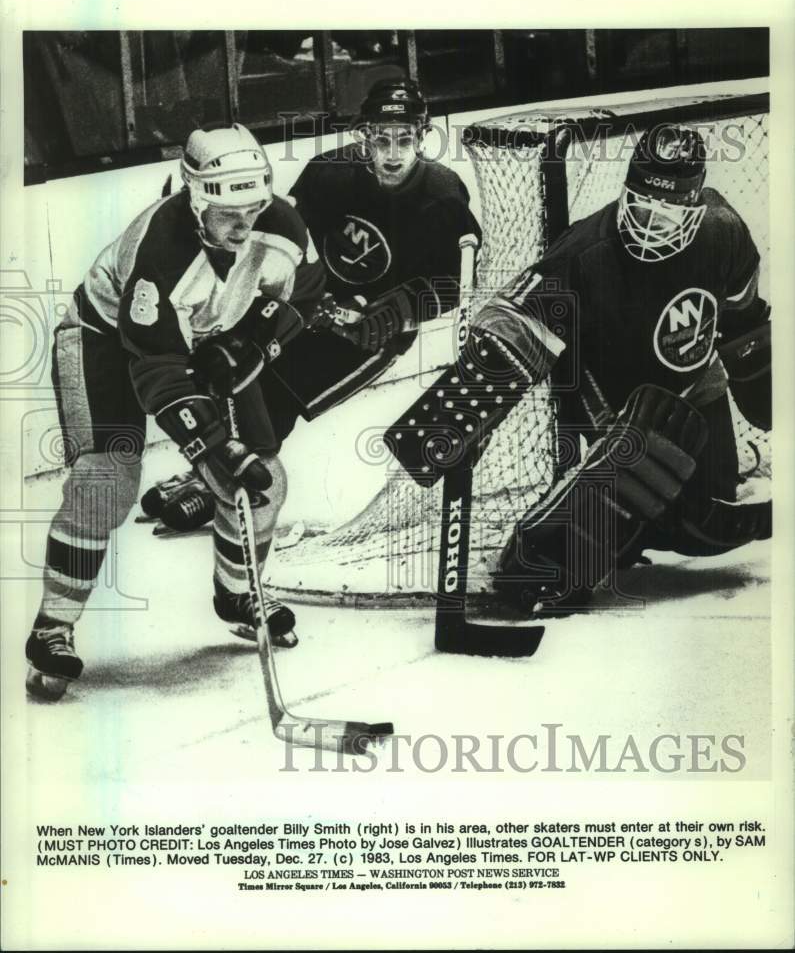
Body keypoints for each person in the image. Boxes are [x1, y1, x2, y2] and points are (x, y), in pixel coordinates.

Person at [387, 124, 771, 613]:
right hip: (612, 404)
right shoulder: (586, 250)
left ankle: (638, 523)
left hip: (698, 394)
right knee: (644, 450)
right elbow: (515, 317)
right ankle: (551, 554)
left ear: (694, 207)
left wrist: (763, 387)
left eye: (667, 211)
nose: (649, 223)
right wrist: (465, 401)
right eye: (640, 204)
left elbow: (744, 315)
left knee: (702, 531)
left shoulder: (724, 230)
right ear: (626, 190)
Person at [26, 123, 325, 700]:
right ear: (196, 200)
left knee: (265, 477)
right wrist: (213, 446)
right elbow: (156, 367)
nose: (245, 226)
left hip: (203, 338)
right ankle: (53, 627)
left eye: (254, 207)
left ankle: (238, 593)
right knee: (106, 477)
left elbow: (306, 289)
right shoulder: (160, 249)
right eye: (229, 214)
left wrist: (248, 345)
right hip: (107, 342)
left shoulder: (282, 223)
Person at [146, 78, 481, 522]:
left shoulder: (442, 194)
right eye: (381, 140)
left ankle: (221, 484)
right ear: (364, 137)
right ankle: (209, 469)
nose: (392, 154)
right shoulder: (330, 171)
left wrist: (397, 310)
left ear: (423, 136)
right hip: (305, 303)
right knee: (238, 370)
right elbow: (285, 231)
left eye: (405, 140)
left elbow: (457, 280)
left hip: (367, 336)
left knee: (281, 395)